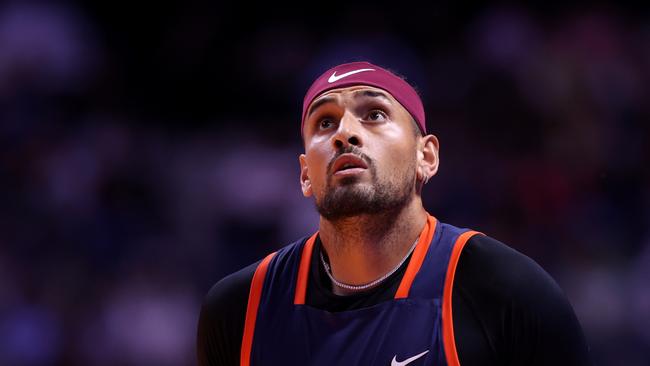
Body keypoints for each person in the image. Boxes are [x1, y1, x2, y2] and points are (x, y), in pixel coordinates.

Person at [196, 61, 591, 365]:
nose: (344, 133)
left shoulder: (507, 292)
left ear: (427, 156)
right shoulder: (239, 309)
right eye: (325, 121)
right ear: (304, 175)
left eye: (374, 114)